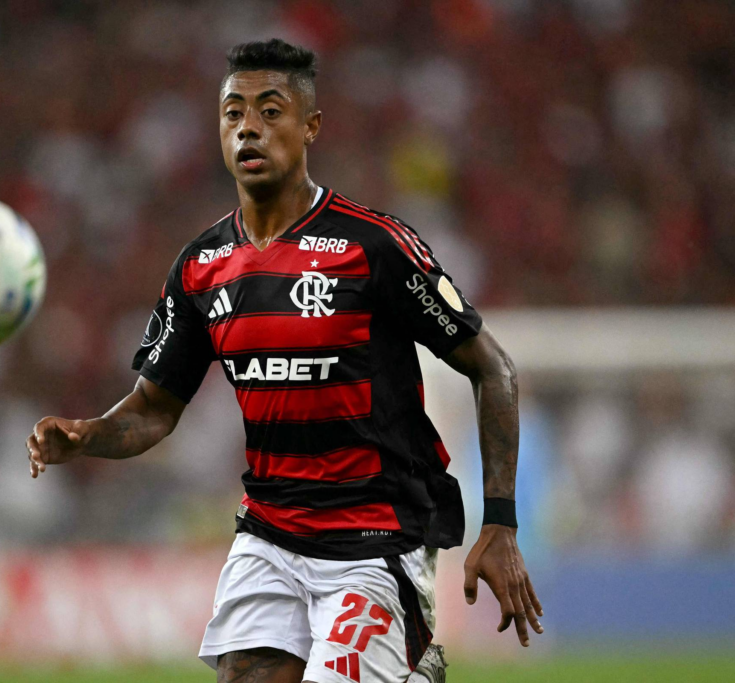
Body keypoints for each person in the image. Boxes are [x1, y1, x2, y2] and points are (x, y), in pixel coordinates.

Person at [27, 38, 542, 683]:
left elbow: (494, 369)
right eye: (233, 113)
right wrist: (89, 435)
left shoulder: (373, 246)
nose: (249, 127)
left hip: (376, 535)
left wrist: (501, 523)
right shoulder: (201, 266)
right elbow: (155, 407)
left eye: (270, 111)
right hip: (270, 532)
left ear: (310, 127)